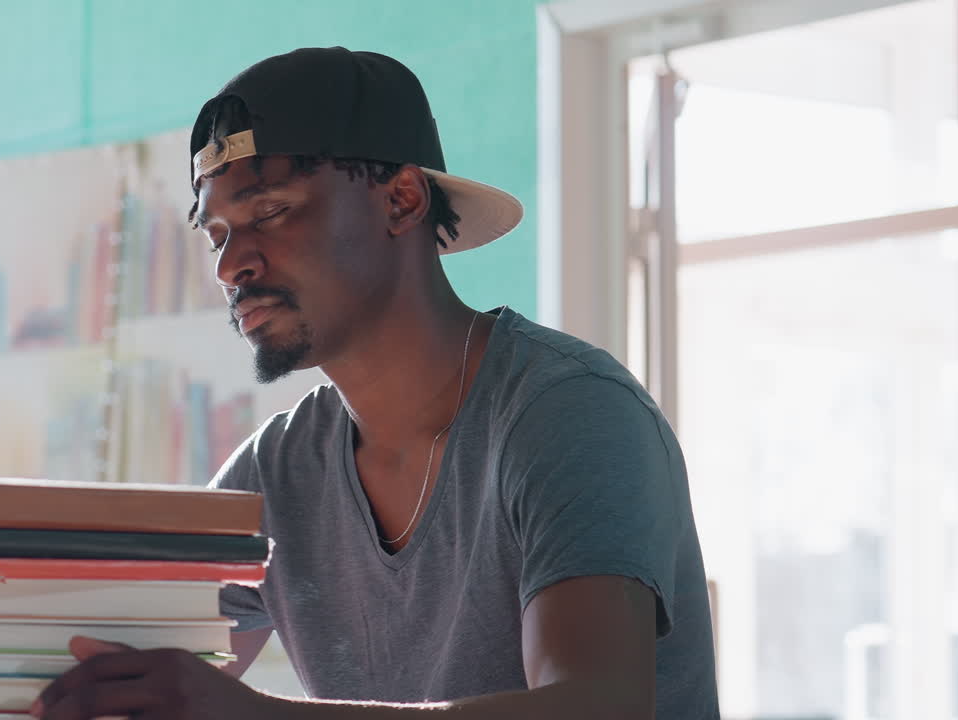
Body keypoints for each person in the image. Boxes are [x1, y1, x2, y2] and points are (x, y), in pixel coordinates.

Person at [43, 46, 716, 719]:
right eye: (217, 234)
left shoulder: (570, 415)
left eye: (269, 212)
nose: (231, 265)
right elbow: (128, 679)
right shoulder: (273, 475)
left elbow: (595, 709)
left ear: (400, 200)